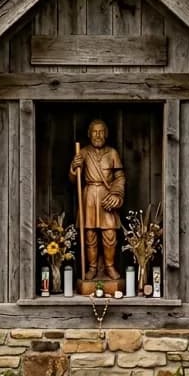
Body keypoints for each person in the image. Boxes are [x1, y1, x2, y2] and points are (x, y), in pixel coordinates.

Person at [69, 119, 125, 290]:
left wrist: (116, 193)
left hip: (106, 195)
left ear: (106, 134)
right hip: (89, 196)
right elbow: (73, 180)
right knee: (90, 235)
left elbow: (120, 177)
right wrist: (73, 167)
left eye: (101, 132)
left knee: (109, 235)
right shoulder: (83, 153)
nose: (98, 135)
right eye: (95, 131)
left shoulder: (112, 153)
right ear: (89, 134)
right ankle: (92, 268)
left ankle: (109, 266)